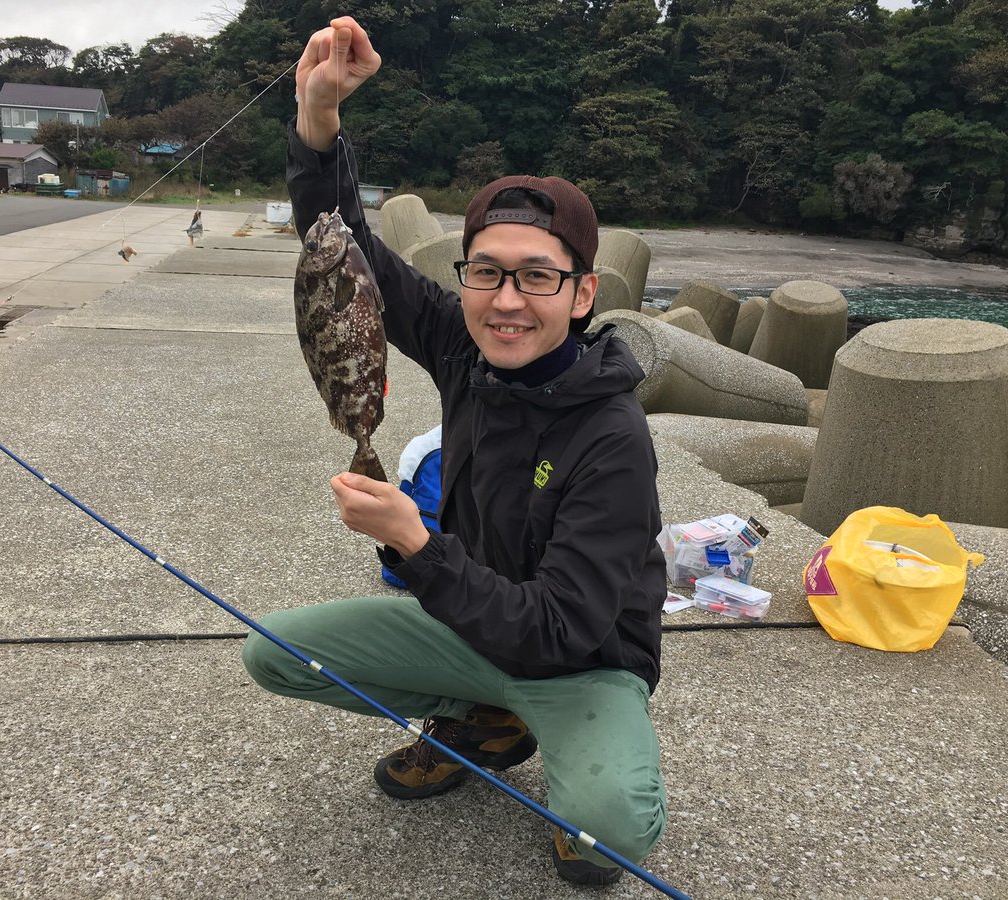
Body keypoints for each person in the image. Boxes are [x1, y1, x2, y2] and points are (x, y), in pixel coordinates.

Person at [242, 16, 668, 886]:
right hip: (466, 629)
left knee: (607, 831)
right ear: (465, 276)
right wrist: (317, 118)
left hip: (579, 665)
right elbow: (341, 242)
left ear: (583, 293)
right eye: (486, 271)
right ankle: (488, 717)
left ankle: (531, 723)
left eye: (538, 276)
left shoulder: (614, 439)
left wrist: (416, 544)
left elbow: (559, 627)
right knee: (274, 653)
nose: (508, 299)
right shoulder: (463, 348)